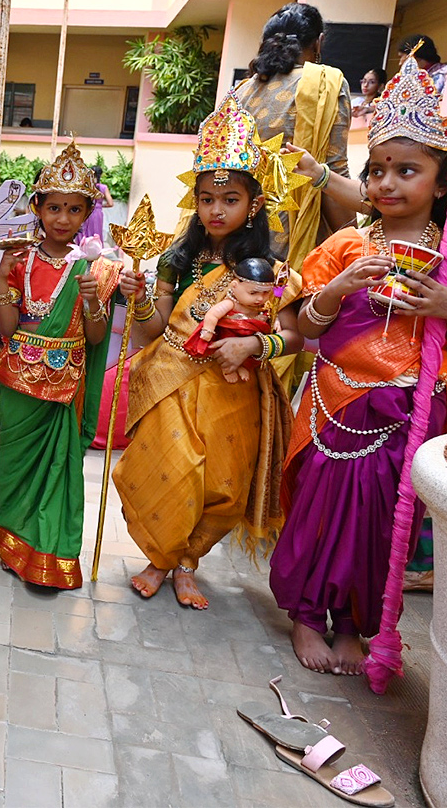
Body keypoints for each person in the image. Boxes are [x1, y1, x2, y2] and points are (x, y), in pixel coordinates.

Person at [271, 54, 447, 675]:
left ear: (441, 181)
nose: (386, 183)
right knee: (319, 511)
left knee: (380, 527)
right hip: (335, 401)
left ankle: (353, 623)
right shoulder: (348, 243)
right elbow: (301, 327)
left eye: (407, 170)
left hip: (409, 413)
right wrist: (338, 287)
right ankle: (305, 614)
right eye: (375, 170)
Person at [112, 91, 305, 610]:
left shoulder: (267, 266)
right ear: (193, 201)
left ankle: (187, 564)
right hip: (172, 377)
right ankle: (160, 557)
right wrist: (135, 300)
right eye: (206, 199)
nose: (216, 209)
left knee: (221, 482)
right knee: (171, 469)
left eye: (230, 199)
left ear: (254, 204)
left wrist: (252, 344)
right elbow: (152, 333)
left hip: (233, 391)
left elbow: (293, 334)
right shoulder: (179, 260)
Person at [0, 144, 120, 588]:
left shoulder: (95, 269)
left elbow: (98, 338)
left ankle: (48, 556)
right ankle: (11, 545)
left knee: (58, 472)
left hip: (66, 387)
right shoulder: (19, 258)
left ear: (87, 213)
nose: (62, 218)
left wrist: (89, 301)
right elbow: (7, 332)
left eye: (74, 209)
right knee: (13, 469)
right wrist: (3, 279)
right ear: (38, 209)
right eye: (54, 208)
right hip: (18, 385)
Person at [234, 3, 353, 264]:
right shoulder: (326, 83)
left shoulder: (240, 90)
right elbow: (334, 169)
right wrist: (350, 244)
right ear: (318, 42)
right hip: (294, 230)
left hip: (237, 224)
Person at [185, 257, 277, 383]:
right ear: (234, 286)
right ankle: (228, 369)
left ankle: (243, 367)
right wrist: (208, 330)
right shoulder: (231, 304)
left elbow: (271, 315)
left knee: (253, 357)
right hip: (229, 335)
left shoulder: (263, 306)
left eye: (266, 293)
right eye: (253, 293)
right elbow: (212, 315)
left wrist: (276, 322)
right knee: (225, 352)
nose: (260, 298)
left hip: (251, 342)